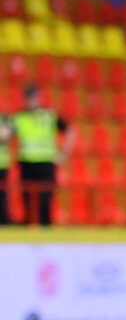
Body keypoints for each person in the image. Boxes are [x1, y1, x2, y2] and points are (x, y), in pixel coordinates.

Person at [11, 83, 73, 225]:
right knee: (27, 201)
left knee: (45, 201)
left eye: (33, 97)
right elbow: (7, 135)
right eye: (28, 97)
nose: (30, 100)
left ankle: (46, 230)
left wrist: (64, 154)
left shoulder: (49, 115)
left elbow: (70, 131)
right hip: (26, 163)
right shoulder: (19, 117)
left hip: (46, 163)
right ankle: (28, 231)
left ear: (38, 97)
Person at [0, 112, 11, 224]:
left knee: (2, 196)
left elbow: (4, 136)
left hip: (1, 164)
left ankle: (3, 222)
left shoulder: (3, 118)